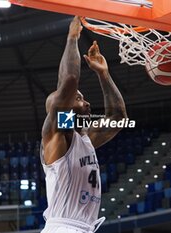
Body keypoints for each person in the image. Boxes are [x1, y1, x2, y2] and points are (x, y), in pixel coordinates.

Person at [40, 16, 127, 233]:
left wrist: (104, 74)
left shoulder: (84, 136)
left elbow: (118, 118)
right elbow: (69, 79)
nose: (87, 102)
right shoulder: (57, 135)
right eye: (79, 98)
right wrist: (72, 37)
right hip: (63, 228)